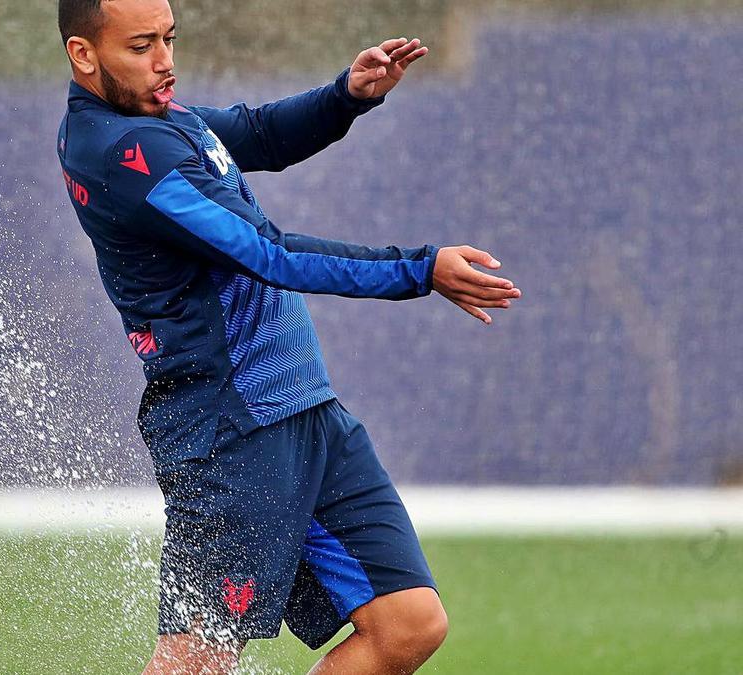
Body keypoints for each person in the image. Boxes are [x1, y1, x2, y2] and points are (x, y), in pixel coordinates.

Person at [56, 0, 521, 672]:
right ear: (84, 54)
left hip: (304, 409)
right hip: (231, 430)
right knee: (198, 660)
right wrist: (420, 269)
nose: (165, 61)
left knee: (406, 622)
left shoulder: (155, 118)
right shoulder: (124, 155)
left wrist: (345, 97)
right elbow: (268, 253)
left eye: (169, 39)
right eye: (141, 46)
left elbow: (256, 134)